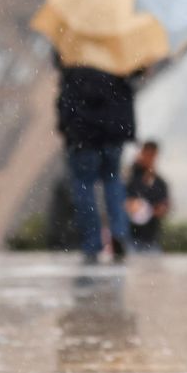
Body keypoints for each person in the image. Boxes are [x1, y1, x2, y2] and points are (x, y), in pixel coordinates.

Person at [55, 61, 140, 264]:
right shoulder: (117, 38)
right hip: (113, 125)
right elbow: (137, 67)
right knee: (113, 181)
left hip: (82, 127)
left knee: (84, 185)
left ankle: (92, 242)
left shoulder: (75, 38)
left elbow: (60, 61)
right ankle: (118, 233)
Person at [124, 140, 169, 252]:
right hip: (130, 236)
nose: (148, 158)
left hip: (151, 237)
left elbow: (164, 206)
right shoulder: (131, 178)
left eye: (152, 155)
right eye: (146, 154)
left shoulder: (160, 183)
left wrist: (151, 211)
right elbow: (123, 201)